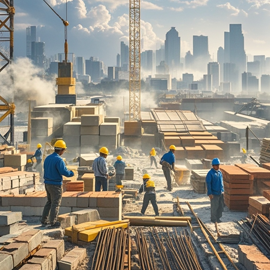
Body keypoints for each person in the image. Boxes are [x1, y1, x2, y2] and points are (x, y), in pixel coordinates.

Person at [41, 140, 74, 228]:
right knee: (55, 203)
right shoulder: (59, 160)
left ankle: (44, 220)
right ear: (61, 150)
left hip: (47, 183)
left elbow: (44, 168)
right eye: (64, 150)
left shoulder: (48, 158)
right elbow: (64, 172)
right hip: (55, 184)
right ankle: (53, 222)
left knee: (49, 202)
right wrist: (71, 173)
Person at [206, 158, 224, 223]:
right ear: (213, 166)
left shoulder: (220, 172)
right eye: (216, 165)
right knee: (214, 207)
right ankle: (213, 219)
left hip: (220, 193)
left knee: (220, 207)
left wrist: (222, 190)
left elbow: (221, 182)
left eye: (218, 165)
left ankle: (218, 218)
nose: (218, 166)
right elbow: (208, 183)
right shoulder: (210, 173)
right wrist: (210, 193)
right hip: (214, 193)